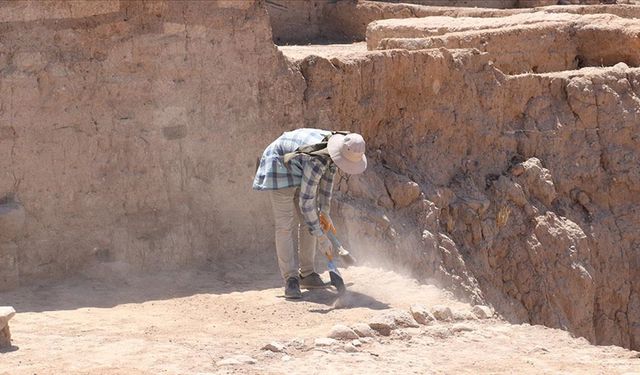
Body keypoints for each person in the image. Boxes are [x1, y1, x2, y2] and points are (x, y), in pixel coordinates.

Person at [253, 128, 367, 299]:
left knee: (311, 222)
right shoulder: (318, 160)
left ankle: (307, 274)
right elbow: (306, 204)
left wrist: (325, 212)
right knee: (285, 225)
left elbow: (327, 181)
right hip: (278, 163)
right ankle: (291, 280)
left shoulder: (337, 150)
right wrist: (322, 239)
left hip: (299, 164)